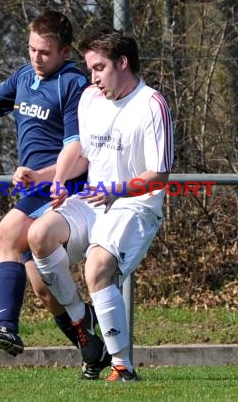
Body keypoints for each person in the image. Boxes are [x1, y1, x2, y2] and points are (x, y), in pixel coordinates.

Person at [0, 11, 110, 379]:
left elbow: (78, 154)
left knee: (2, 237)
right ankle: (91, 347)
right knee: (45, 290)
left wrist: (41, 175)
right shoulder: (24, 76)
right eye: (32, 49)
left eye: (45, 52)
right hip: (33, 187)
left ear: (66, 52)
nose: (37, 58)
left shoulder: (73, 85)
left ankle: (7, 328)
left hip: (59, 189)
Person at [27, 29, 174, 382]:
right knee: (39, 235)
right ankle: (82, 319)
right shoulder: (90, 98)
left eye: (99, 67)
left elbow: (159, 175)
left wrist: (118, 190)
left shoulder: (152, 104)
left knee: (96, 269)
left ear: (122, 63)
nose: (92, 77)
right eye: (90, 68)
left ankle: (122, 366)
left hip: (135, 207)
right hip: (94, 199)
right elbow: (82, 153)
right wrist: (57, 179)